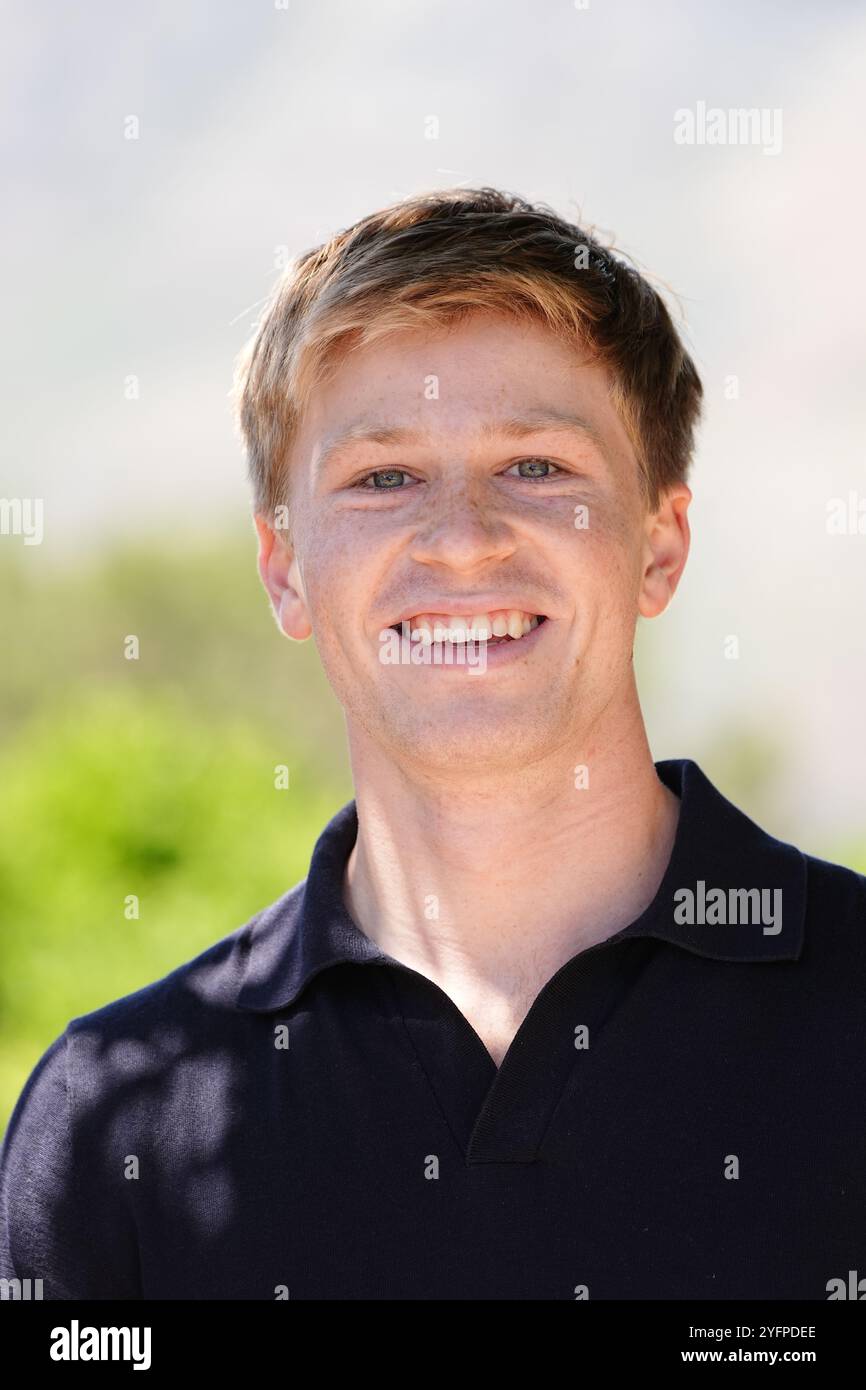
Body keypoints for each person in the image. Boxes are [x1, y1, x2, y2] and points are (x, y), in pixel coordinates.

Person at [1, 188, 863, 1301]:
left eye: (537, 467)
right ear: (284, 567)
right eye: (382, 478)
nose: (460, 539)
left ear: (658, 545)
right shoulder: (108, 1120)